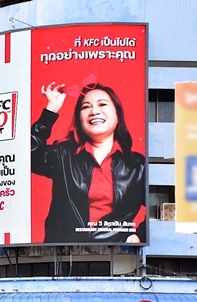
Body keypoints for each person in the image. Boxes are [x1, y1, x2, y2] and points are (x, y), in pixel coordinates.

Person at [31, 81, 146, 244]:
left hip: (116, 255)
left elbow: (161, 204)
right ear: (79, 119)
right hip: (65, 256)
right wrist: (51, 110)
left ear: (117, 115)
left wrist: (139, 234)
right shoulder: (63, 154)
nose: (94, 111)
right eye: (86, 107)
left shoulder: (137, 165)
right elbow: (28, 156)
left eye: (102, 104)